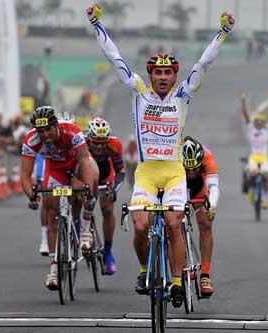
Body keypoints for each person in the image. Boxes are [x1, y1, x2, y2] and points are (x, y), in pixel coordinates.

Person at [86, 2, 234, 308]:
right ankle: (143, 270)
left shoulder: (183, 95)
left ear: (174, 75)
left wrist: (223, 32)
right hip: (146, 172)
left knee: (173, 222)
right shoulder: (139, 90)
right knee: (140, 225)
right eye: (158, 72)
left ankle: (178, 282)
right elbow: (114, 58)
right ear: (150, 75)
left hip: (174, 171)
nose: (163, 77)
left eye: (168, 72)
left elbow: (203, 64)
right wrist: (97, 25)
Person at [21, 106, 99, 290]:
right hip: (56, 169)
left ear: (56, 125)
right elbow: (25, 174)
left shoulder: (71, 131)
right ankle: (54, 268)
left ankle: (86, 227)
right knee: (51, 213)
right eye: (41, 131)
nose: (45, 134)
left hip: (77, 164)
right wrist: (31, 195)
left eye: (48, 129)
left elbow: (85, 162)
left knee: (93, 174)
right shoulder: (31, 139)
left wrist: (86, 188)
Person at [85, 117, 125, 275]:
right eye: (96, 142)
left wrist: (114, 189)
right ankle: (80, 231)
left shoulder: (114, 144)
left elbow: (121, 171)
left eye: (103, 142)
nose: (100, 146)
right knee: (82, 200)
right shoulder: (81, 143)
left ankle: (108, 252)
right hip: (85, 172)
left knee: (107, 209)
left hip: (105, 174)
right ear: (89, 138)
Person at [182, 136, 219, 298]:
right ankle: (180, 267)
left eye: (194, 169)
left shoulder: (207, 157)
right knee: (173, 222)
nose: (191, 173)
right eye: (187, 169)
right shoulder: (175, 157)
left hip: (200, 186)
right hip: (178, 183)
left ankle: (205, 275)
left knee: (205, 223)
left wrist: (211, 205)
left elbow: (214, 187)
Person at [240, 92, 268, 209]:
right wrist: (243, 102)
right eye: (257, 122)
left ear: (263, 123)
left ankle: (265, 199)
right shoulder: (251, 129)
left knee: (266, 176)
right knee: (251, 175)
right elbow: (246, 115)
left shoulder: (266, 129)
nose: (259, 124)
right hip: (253, 156)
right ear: (255, 123)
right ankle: (251, 191)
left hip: (263, 156)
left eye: (261, 122)